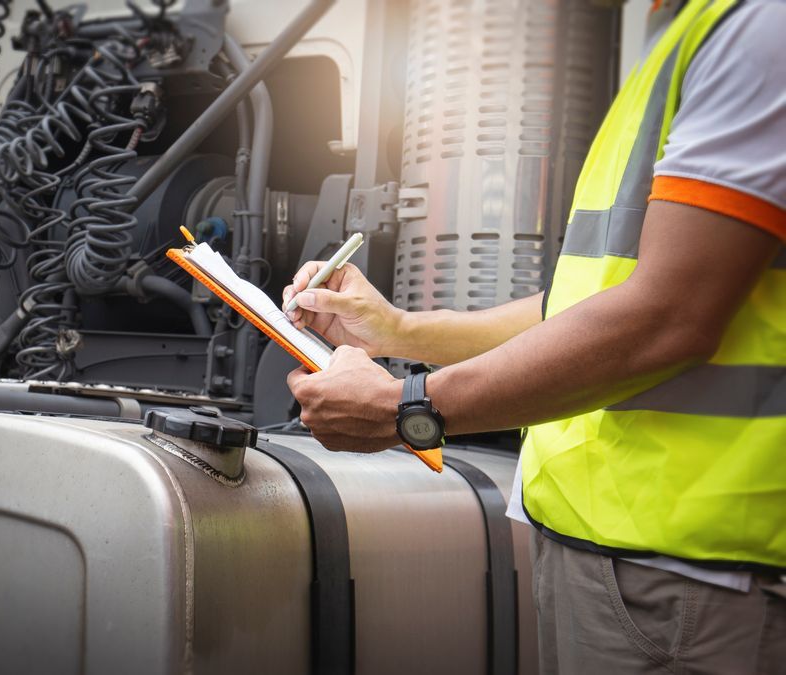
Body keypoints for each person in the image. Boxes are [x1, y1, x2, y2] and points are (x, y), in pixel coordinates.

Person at [283, 0, 786, 671]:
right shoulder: (683, 37)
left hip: (697, 579)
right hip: (612, 556)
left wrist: (404, 409)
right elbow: (581, 304)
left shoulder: (760, 27)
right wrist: (395, 330)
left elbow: (670, 315)